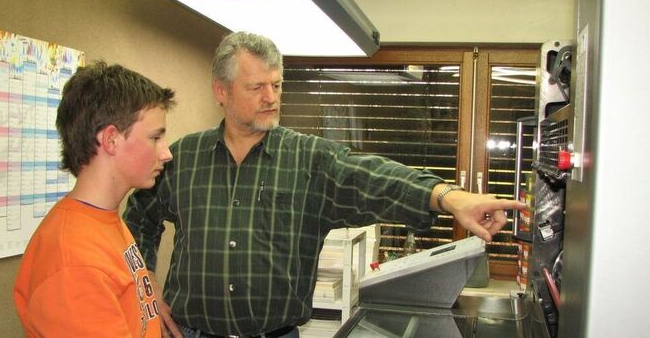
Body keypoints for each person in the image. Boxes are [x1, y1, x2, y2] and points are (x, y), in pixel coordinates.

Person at [123, 32, 525, 338]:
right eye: (256, 87)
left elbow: (376, 179)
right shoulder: (182, 157)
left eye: (277, 85)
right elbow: (138, 214)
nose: (271, 98)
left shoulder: (310, 160)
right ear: (221, 92)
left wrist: (449, 198)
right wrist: (147, 287)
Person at [13, 61, 176, 337]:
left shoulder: (104, 219)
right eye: (155, 137)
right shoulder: (74, 263)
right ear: (111, 140)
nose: (166, 153)